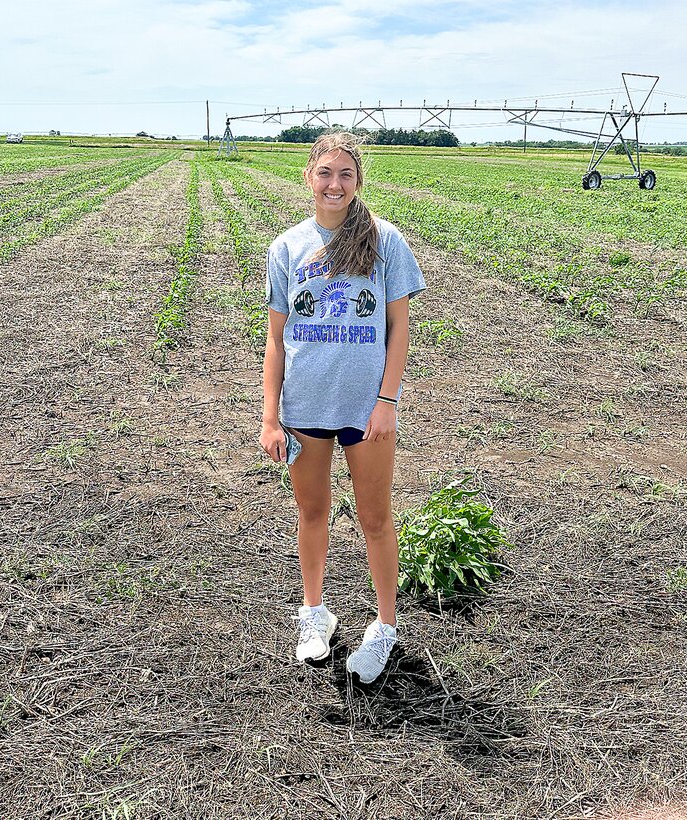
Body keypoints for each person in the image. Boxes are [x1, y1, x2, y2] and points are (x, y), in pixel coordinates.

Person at [260, 132, 426, 684]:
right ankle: (314, 613)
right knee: (312, 513)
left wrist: (386, 401)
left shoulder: (386, 242)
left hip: (366, 408)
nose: (335, 184)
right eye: (326, 172)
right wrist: (269, 415)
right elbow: (277, 338)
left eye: (346, 175)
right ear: (309, 176)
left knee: (376, 519)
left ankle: (384, 626)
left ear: (358, 182)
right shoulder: (286, 248)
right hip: (303, 404)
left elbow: (399, 328)